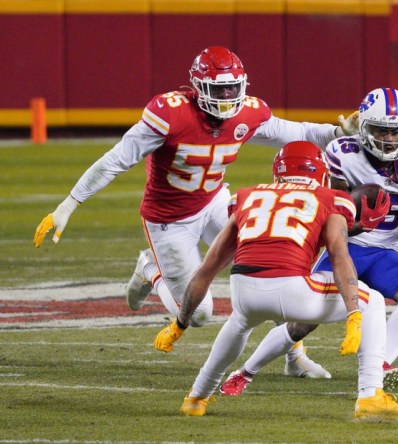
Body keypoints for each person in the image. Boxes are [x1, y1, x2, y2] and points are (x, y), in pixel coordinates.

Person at [32, 46, 357, 378]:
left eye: (233, 88)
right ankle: (149, 269)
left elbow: (299, 132)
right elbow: (117, 159)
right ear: (199, 87)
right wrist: (68, 205)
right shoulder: (169, 114)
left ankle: (294, 357)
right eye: (219, 89)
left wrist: (338, 133)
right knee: (199, 314)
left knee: (275, 260)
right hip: (167, 220)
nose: (228, 96)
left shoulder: (248, 112)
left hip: (214, 202)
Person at [152, 141, 398, 419]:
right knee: (374, 301)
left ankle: (197, 397)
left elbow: (207, 269)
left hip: (243, 288)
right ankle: (370, 396)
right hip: (293, 289)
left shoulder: (247, 196)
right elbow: (340, 257)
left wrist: (180, 323)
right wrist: (354, 311)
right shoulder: (333, 199)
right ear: (320, 172)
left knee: (239, 324)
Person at [217, 87, 398, 397]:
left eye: (396, 132)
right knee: (303, 322)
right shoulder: (343, 153)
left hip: (385, 251)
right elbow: (329, 219)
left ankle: (380, 365)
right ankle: (244, 372)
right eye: (382, 130)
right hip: (346, 248)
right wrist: (359, 220)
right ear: (365, 128)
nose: (389, 139)